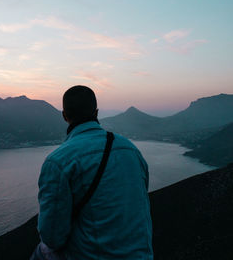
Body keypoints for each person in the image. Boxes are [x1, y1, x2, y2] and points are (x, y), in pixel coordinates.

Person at [31, 85, 153, 260]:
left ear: (64, 116)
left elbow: (52, 237)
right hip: (141, 255)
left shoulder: (58, 161)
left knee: (41, 252)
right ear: (96, 113)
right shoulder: (131, 150)